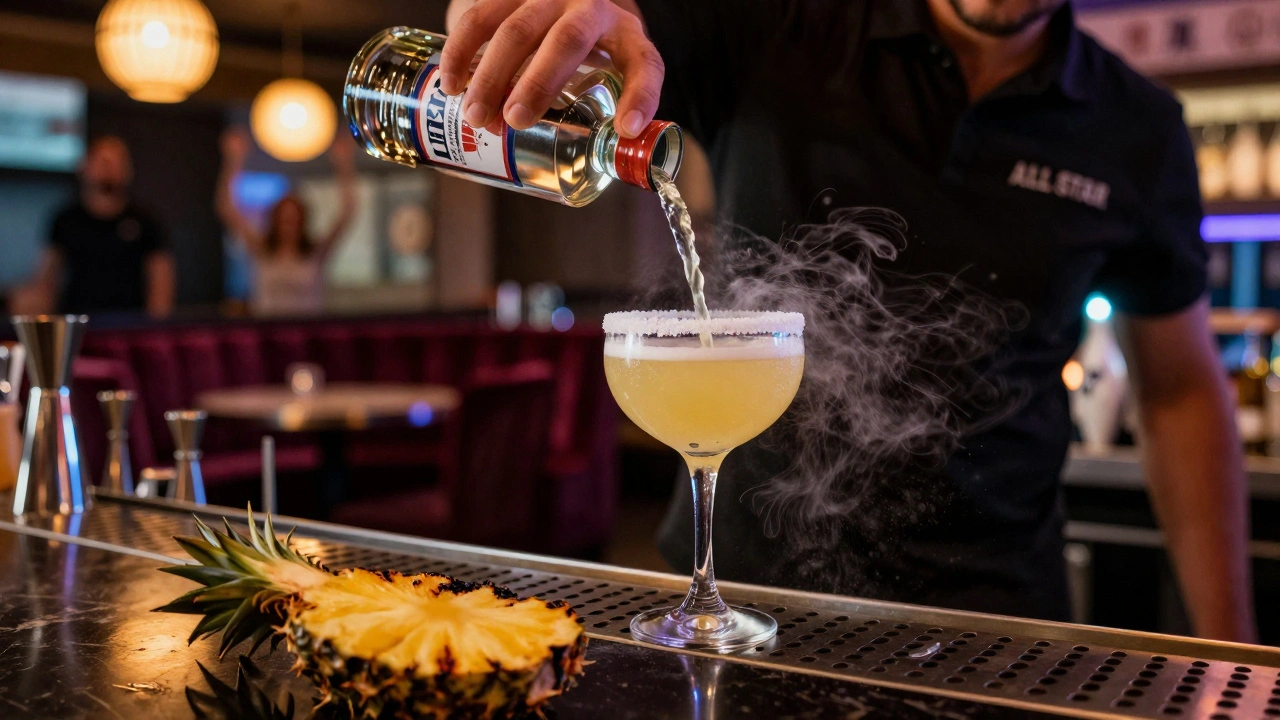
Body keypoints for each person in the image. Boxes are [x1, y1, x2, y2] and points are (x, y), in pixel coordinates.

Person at [442, 0, 1256, 642]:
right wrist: (576, 23)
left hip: (998, 610)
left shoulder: (1137, 127)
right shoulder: (777, 19)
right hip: (748, 591)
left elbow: (1181, 389)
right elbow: (622, 31)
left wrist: (1232, 652)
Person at [23, 135, 174, 317]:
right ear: (84, 166)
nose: (109, 168)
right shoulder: (65, 220)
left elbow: (161, 283)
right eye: (103, 161)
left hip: (130, 327)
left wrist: (154, 327)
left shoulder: (146, 221)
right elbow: (46, 280)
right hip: (77, 322)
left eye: (117, 162)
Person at [216, 129, 358, 317]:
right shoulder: (261, 250)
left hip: (308, 334)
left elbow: (346, 214)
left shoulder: (315, 253)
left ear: (303, 221)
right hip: (269, 333)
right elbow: (227, 210)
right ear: (274, 220)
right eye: (283, 218)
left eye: (293, 218)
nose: (288, 224)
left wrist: (344, 163)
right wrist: (234, 161)